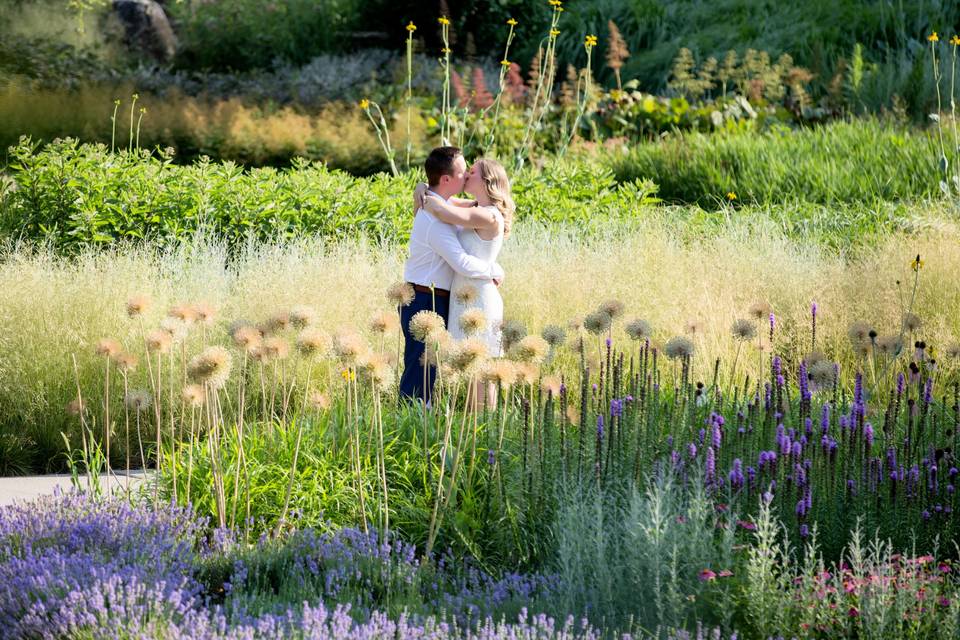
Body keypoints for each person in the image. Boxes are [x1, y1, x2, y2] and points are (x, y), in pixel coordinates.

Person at [399, 147, 504, 403]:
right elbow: (462, 263)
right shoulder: (437, 218)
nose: (467, 175)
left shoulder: (445, 209)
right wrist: (494, 269)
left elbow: (463, 210)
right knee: (421, 372)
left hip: (448, 298)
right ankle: (413, 427)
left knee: (442, 370)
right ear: (447, 179)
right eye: (463, 171)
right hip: (426, 299)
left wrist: (422, 190)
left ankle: (474, 431)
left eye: (471, 171)